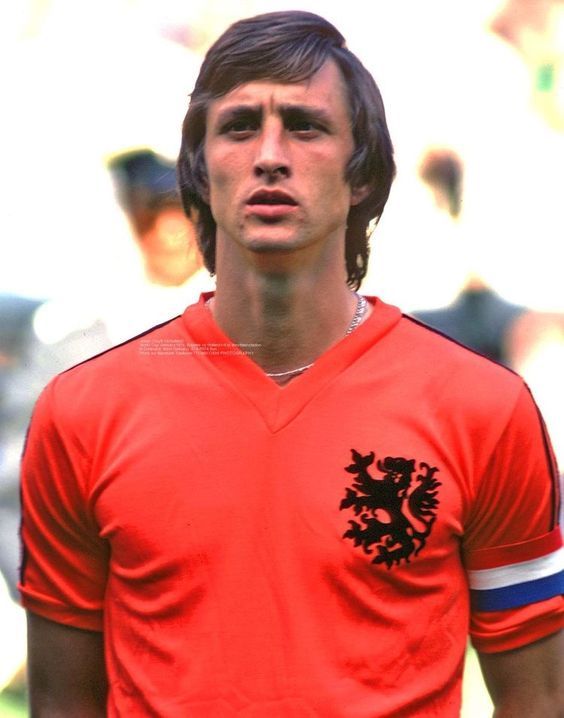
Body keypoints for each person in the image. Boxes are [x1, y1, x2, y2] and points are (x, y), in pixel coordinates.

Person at [19, 11, 564, 717]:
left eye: (306, 126)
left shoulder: (483, 410)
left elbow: (540, 701)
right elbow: (62, 705)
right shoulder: (83, 412)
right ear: (201, 170)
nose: (270, 155)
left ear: (362, 173)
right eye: (240, 126)